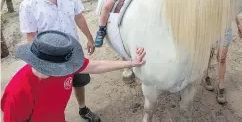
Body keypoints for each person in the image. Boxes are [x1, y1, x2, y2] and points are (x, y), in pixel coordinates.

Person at [1, 30, 146, 122]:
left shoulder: (65, 63)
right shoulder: (19, 92)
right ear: (51, 66)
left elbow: (96, 65)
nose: (71, 67)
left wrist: (130, 63)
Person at [18, 0, 100, 121]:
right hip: (50, 57)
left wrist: (89, 38)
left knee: (79, 80)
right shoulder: (28, 5)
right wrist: (37, 62)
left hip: (72, 50)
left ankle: (82, 108)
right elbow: (31, 36)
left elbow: (79, 17)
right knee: (53, 89)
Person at [205, 17, 242, 104]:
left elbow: (233, 8)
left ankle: (221, 87)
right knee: (209, 54)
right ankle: (205, 76)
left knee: (222, 58)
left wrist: (238, 23)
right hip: (211, 26)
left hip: (226, 29)